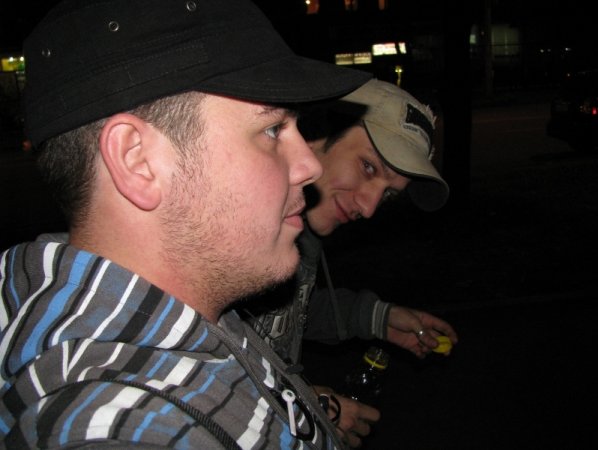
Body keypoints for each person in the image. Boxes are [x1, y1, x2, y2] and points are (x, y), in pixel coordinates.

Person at [0, 0, 372, 448]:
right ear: (138, 161)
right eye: (273, 130)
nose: (310, 165)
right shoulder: (113, 428)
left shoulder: (190, 314)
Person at [241, 79, 459, 448]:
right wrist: (299, 404)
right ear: (314, 134)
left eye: (388, 194)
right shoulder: (237, 232)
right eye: (369, 167)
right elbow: (190, 364)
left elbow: (283, 312)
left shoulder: (299, 232)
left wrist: (378, 318)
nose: (370, 208)